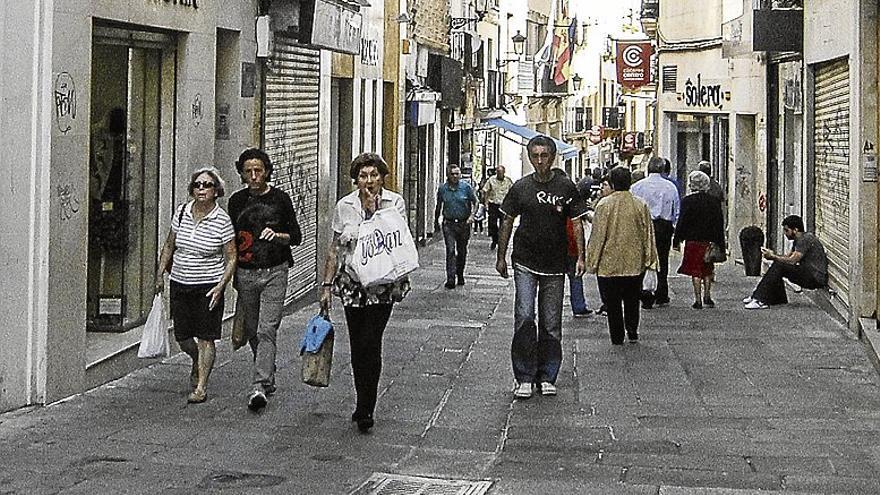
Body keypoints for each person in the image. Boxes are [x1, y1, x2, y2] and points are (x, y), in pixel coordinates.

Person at [319, 153, 411, 432]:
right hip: (352, 283)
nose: (368, 181)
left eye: (373, 175)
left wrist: (373, 211)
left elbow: (395, 237)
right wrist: (326, 284)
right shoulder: (344, 206)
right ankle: (362, 400)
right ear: (355, 179)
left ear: (383, 177)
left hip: (382, 284)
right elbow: (335, 247)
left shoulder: (394, 202)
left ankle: (366, 407)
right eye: (363, 176)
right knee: (358, 343)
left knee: (371, 340)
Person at [496, 136, 588, 399]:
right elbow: (507, 221)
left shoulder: (566, 187)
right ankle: (524, 376)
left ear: (553, 156)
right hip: (525, 261)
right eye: (535, 155)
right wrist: (501, 257)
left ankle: (547, 375)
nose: (539, 161)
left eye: (544, 155)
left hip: (556, 264)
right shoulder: (521, 188)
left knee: (551, 322)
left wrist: (580, 257)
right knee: (524, 316)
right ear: (528, 157)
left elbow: (578, 224)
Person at [228, 148, 302, 412]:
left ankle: (259, 385)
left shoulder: (280, 199)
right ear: (241, 174)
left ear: (267, 171)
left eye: (258, 170)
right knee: (251, 330)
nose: (254, 176)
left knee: (266, 328)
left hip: (275, 270)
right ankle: (268, 372)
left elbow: (296, 236)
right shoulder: (236, 202)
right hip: (246, 273)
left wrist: (278, 235)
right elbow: (231, 241)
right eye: (248, 171)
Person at [156, 167, 236, 404]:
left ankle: (201, 386)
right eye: (197, 185)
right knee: (182, 336)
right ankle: (195, 360)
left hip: (208, 286)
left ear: (216, 191)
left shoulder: (222, 220)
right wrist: (160, 274)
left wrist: (221, 286)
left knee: (205, 337)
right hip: (180, 282)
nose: (201, 189)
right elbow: (170, 246)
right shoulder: (181, 213)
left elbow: (231, 257)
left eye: (207, 185)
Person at [586, 166, 658, 345]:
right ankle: (632, 329)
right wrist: (650, 259)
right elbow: (648, 234)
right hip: (634, 261)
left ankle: (617, 336)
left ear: (612, 183)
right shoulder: (640, 204)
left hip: (609, 263)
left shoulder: (604, 205)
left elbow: (598, 236)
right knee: (632, 299)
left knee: (613, 303)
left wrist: (592, 262)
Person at [743, 215, 828, 309]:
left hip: (815, 278)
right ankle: (775, 298)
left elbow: (792, 261)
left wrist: (773, 257)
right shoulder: (798, 240)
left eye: (787, 230)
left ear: (795, 230)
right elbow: (787, 257)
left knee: (780, 266)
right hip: (809, 273)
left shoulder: (806, 239)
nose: (785, 233)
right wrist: (773, 255)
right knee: (778, 265)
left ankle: (759, 299)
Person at [631, 157, 680, 309]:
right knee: (662, 260)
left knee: (641, 259)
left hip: (642, 225)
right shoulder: (670, 187)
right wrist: (674, 227)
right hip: (663, 227)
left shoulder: (637, 187)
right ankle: (661, 293)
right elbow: (676, 210)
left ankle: (642, 291)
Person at [673, 171, 726, 309]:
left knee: (695, 270)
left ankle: (697, 300)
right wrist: (720, 243)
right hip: (709, 241)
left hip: (693, 241)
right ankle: (707, 296)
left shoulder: (687, 201)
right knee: (707, 269)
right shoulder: (714, 202)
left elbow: (682, 221)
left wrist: (677, 239)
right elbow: (719, 223)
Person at [434, 165, 478, 289]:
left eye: (457, 174)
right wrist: (436, 221)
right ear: (448, 175)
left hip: (464, 224)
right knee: (451, 250)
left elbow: (476, 202)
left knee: (462, 250)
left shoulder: (466, 188)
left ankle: (460, 273)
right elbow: (438, 205)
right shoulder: (443, 189)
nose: (455, 176)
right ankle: (451, 278)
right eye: (452, 174)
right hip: (449, 224)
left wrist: (472, 216)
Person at [482, 165, 514, 250]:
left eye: (502, 172)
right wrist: (486, 203)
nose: (500, 174)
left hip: (504, 205)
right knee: (492, 223)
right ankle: (495, 239)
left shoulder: (508, 181)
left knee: (503, 224)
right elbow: (485, 191)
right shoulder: (491, 180)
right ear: (496, 172)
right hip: (494, 205)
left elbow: (512, 192)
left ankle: (501, 241)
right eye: (498, 172)